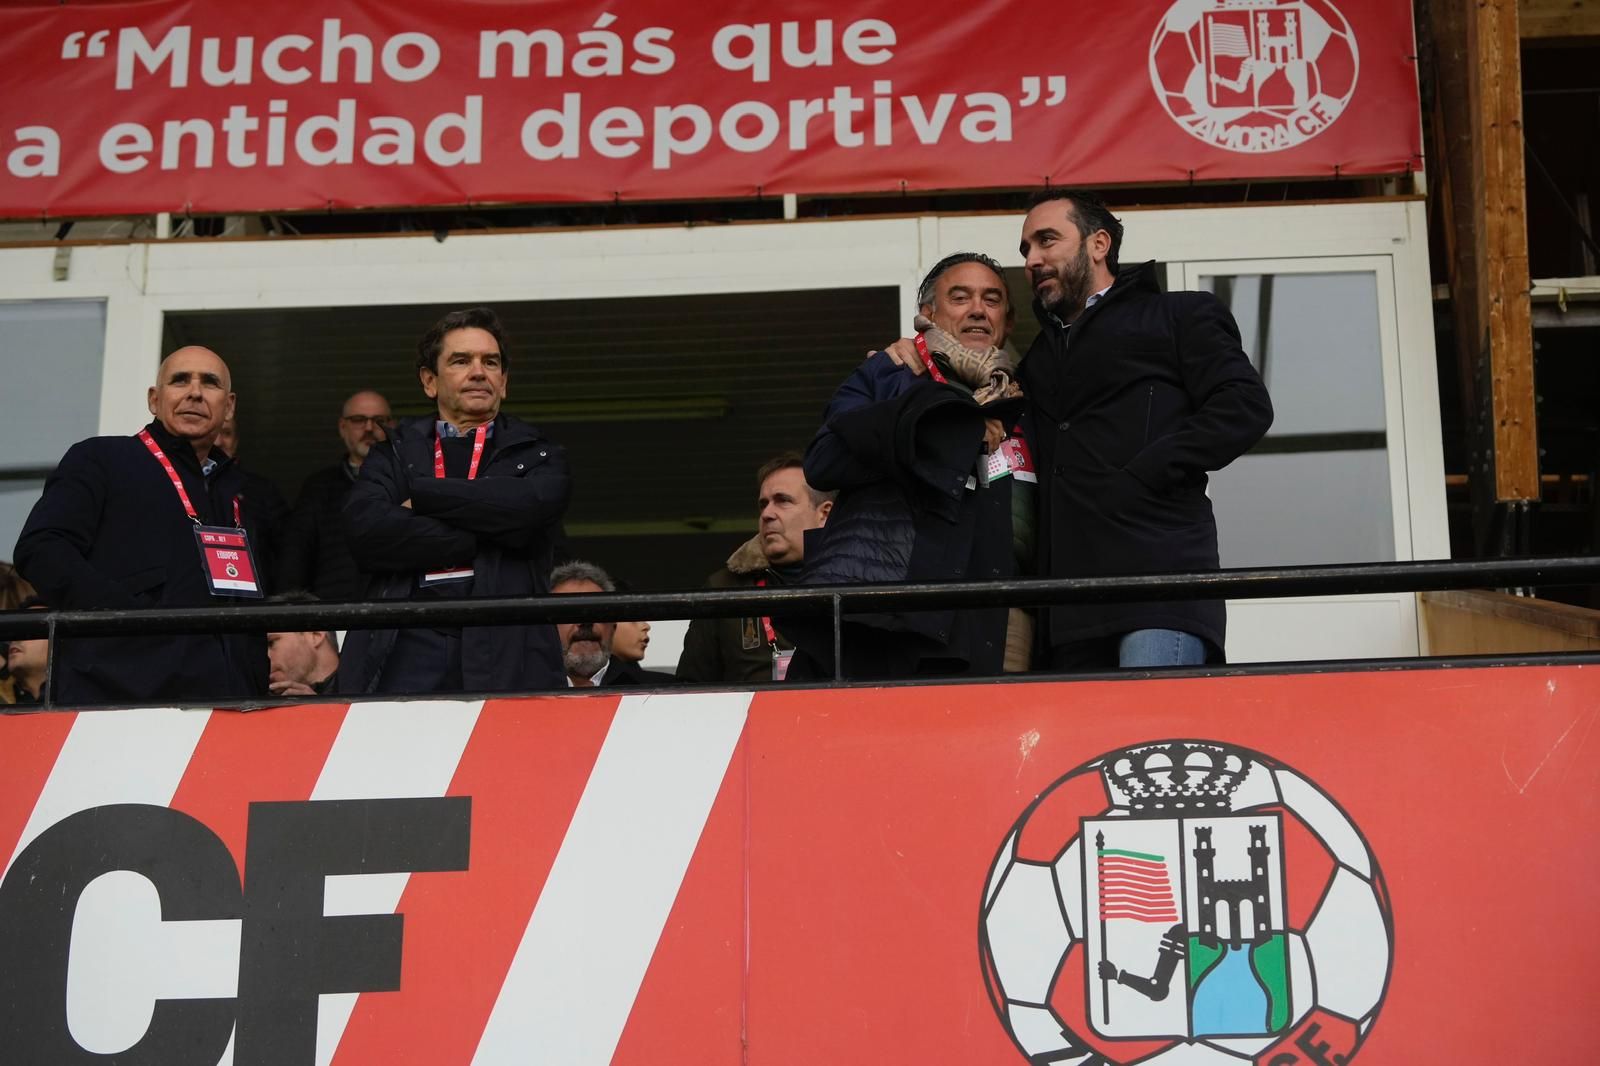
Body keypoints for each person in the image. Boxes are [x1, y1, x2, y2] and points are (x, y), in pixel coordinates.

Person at [889, 191, 1273, 668]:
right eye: (1026, 248)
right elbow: (973, 387)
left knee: (1150, 733)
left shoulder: (1179, 315)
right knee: (1089, 746)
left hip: (1157, 588)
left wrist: (1146, 474)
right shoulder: (1035, 365)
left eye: (1046, 240)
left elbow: (1245, 406)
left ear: (1099, 243)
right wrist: (912, 358)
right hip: (1065, 615)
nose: (1032, 259)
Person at [782, 252, 1027, 681]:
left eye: (992, 299)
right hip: (892, 620)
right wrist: (945, 422)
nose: (977, 310)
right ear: (927, 314)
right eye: (960, 297)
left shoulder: (1027, 397)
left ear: (1007, 321)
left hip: (995, 620)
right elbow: (823, 462)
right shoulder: (890, 371)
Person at [13, 346, 269, 704]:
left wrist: (255, 682)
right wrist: (125, 617)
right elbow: (41, 548)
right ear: (154, 399)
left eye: (209, 383)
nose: (194, 392)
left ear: (229, 407)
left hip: (231, 704)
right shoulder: (102, 459)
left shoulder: (238, 494)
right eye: (180, 380)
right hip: (121, 696)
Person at [338, 308, 571, 695]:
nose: (479, 372)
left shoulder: (538, 452)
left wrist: (424, 496)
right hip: (405, 643)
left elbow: (533, 510)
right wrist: (491, 530)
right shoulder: (392, 452)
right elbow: (366, 532)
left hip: (507, 644)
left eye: (490, 362)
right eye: (461, 361)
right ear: (429, 381)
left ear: (505, 381)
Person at [674, 454, 834, 684]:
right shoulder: (723, 589)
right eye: (763, 504)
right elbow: (689, 688)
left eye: (783, 500)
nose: (767, 514)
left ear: (824, 514)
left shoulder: (860, 582)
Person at [277, 390, 393, 600]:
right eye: (358, 420)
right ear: (342, 427)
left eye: (379, 420)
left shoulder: (410, 483)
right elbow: (295, 559)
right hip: (333, 615)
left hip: (397, 613)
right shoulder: (319, 488)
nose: (369, 428)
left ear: (392, 426)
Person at [550, 561, 672, 686]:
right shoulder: (529, 691)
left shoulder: (668, 691)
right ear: (544, 629)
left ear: (613, 627)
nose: (586, 622)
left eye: (597, 612)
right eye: (569, 613)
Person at [215, 411, 290, 585]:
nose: (218, 442)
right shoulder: (183, 486)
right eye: (213, 433)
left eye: (226, 433)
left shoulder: (263, 491)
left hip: (252, 598)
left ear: (236, 441)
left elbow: (285, 553)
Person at [266, 593, 341, 697]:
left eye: (271, 643)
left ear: (315, 635)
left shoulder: (366, 686)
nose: (264, 657)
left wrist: (320, 711)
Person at [2, 596, 48, 705]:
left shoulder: (84, 695)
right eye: (16, 631)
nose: (17, 638)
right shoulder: (3, 698)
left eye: (31, 630)